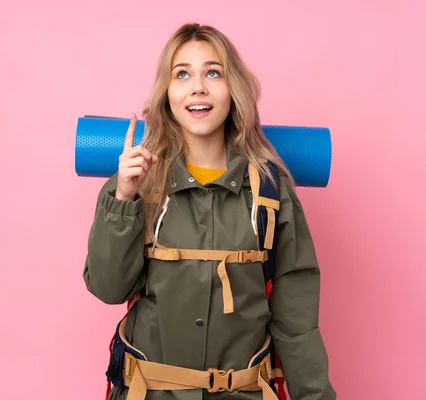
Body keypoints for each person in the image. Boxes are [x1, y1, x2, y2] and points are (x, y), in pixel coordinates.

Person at [83, 22, 336, 400]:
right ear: (167, 93)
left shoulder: (271, 192)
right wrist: (122, 200)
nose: (197, 86)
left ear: (233, 90)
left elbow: (296, 323)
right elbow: (107, 288)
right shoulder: (137, 184)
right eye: (182, 74)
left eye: (213, 73)